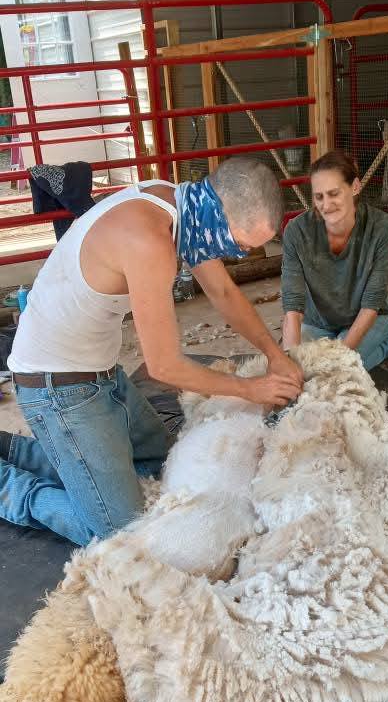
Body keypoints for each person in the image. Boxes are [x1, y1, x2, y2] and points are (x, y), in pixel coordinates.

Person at [0, 157, 303, 546]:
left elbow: (223, 292)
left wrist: (274, 355)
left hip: (101, 373)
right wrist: (252, 389)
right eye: (240, 244)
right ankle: (9, 486)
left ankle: (20, 450)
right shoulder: (149, 241)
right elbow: (164, 366)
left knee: (163, 468)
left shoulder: (185, 208)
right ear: (217, 213)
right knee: (121, 536)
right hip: (54, 388)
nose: (240, 255)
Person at [281, 149, 388, 369]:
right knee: (299, 366)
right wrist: (290, 359)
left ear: (355, 187)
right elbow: (293, 304)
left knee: (341, 368)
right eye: (319, 197)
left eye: (334, 193)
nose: (326, 205)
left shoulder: (382, 227)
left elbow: (372, 303)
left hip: (367, 316)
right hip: (318, 321)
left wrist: (339, 358)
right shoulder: (296, 231)